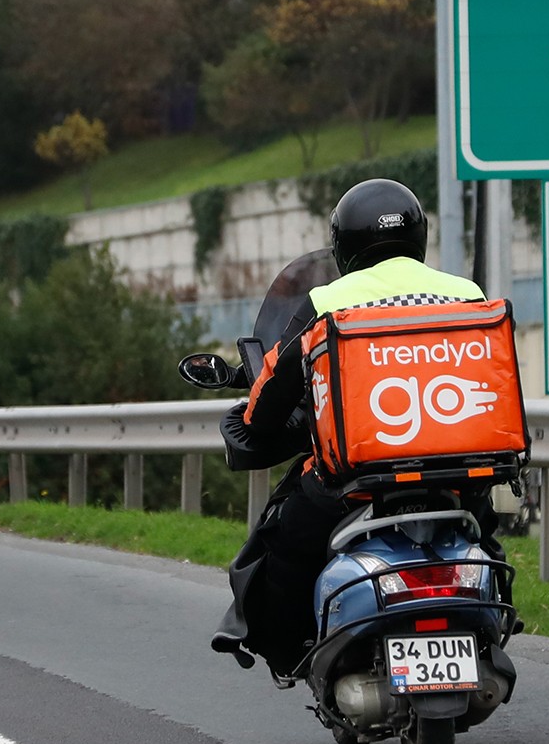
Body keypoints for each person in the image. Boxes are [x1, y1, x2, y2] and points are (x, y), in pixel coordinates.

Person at [210, 178, 495, 676]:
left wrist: (255, 423)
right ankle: (494, 626)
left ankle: (289, 650)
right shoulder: (466, 293)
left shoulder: (328, 300)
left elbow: (275, 380)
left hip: (354, 481)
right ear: (419, 236)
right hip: (457, 474)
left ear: (344, 246)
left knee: (286, 546)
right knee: (486, 540)